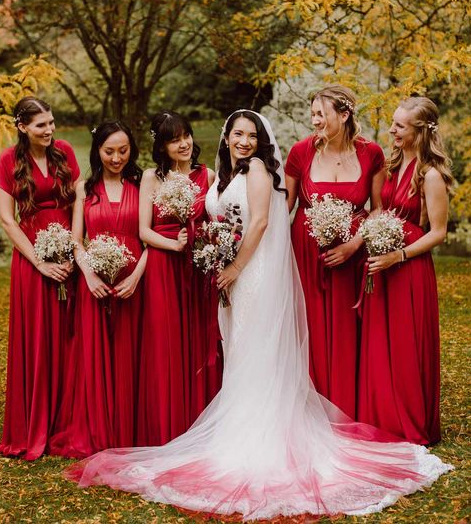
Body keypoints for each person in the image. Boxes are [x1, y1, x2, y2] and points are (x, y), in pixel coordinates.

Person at [65, 109, 451, 521]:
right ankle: (239, 429)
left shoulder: (259, 172)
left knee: (254, 351)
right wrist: (217, 255)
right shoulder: (224, 176)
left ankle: (257, 440)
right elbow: (222, 220)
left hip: (254, 275)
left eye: (251, 135)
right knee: (238, 351)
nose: (244, 141)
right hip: (233, 275)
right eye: (237, 134)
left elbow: (262, 222)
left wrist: (233, 266)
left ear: (259, 141)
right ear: (226, 137)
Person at [357, 97, 454, 445]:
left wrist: (397, 256)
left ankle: (409, 421)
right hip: (383, 262)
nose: (392, 130)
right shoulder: (393, 164)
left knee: (405, 345)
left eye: (400, 125)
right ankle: (381, 415)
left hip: (408, 268)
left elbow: (439, 232)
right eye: (393, 123)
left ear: (420, 130)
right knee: (380, 344)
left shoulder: (431, 176)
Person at [284, 85, 385, 418]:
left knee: (345, 333)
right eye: (312, 114)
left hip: (350, 256)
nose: (314, 121)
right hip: (306, 253)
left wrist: (354, 245)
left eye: (321, 115)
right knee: (308, 329)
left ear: (344, 115)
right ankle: (310, 411)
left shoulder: (372, 154)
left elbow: (377, 209)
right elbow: (285, 205)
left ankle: (345, 409)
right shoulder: (300, 152)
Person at [49, 121, 147, 457]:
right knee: (96, 354)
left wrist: (136, 277)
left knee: (130, 352)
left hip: (134, 283)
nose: (117, 157)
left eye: (123, 150)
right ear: (97, 151)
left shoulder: (142, 182)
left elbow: (150, 237)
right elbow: (77, 240)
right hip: (96, 281)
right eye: (109, 151)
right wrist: (88, 274)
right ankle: (99, 426)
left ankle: (131, 426)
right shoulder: (85, 188)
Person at [0, 96, 80, 460]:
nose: (49, 130)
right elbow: (7, 219)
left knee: (68, 333)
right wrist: (39, 262)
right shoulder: (8, 161)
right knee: (37, 335)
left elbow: (78, 202)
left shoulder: (64, 151)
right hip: (31, 259)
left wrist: (75, 249)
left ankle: (67, 418)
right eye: (41, 124)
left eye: (51, 122)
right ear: (22, 127)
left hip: (67, 253)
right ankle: (34, 421)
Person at [137, 111, 221, 446]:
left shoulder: (208, 175)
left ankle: (202, 421)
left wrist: (206, 242)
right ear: (161, 145)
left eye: (186, 135)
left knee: (200, 339)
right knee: (168, 341)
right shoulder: (151, 178)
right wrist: (174, 243)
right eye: (174, 139)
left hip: (199, 264)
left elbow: (216, 220)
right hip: (163, 265)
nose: (183, 143)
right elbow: (144, 230)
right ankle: (169, 424)